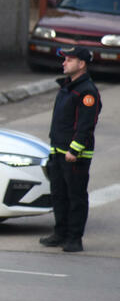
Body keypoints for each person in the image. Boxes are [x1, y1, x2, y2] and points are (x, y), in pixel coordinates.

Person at [40, 46, 101, 253]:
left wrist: (74, 151)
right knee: (59, 194)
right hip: (58, 152)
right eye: (64, 59)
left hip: (74, 156)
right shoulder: (67, 87)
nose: (64, 62)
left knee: (75, 197)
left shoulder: (87, 92)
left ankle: (74, 238)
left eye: (69, 59)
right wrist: (53, 149)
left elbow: (85, 125)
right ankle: (60, 233)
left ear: (81, 64)